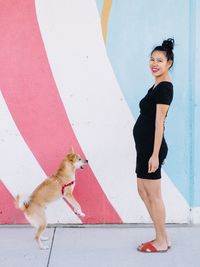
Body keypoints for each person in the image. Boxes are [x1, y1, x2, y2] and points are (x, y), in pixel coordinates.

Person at [133, 38, 174, 253]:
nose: (154, 63)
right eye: (152, 59)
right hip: (146, 147)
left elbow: (160, 123)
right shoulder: (157, 84)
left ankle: (160, 241)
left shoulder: (165, 88)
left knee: (154, 195)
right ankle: (163, 235)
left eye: (160, 60)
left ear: (169, 64)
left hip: (152, 149)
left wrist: (155, 154)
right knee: (142, 190)